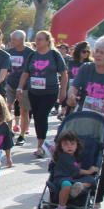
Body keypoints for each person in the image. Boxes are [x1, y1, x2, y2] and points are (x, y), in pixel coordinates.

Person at [66, 35, 104, 209]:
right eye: (96, 51)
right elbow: (75, 86)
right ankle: (76, 190)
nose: (97, 55)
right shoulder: (86, 68)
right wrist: (71, 95)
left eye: (102, 52)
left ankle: (98, 198)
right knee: (81, 155)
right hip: (86, 119)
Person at [17, 30, 68, 158]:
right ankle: (41, 143)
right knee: (38, 117)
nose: (37, 41)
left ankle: (41, 145)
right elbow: (25, 73)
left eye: (40, 39)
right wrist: (19, 87)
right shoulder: (32, 56)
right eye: (36, 38)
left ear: (47, 41)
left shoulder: (54, 55)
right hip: (34, 91)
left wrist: (63, 91)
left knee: (42, 115)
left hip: (50, 92)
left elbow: (64, 74)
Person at [47, 130, 98, 209]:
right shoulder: (64, 156)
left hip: (74, 179)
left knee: (91, 181)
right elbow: (75, 170)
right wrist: (89, 171)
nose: (69, 146)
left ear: (76, 145)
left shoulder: (75, 156)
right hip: (62, 177)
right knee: (67, 184)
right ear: (61, 146)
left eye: (72, 144)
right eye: (66, 144)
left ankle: (79, 187)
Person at [5, 30, 32, 145]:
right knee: (6, 108)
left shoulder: (30, 53)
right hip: (10, 84)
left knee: (24, 110)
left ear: (21, 40)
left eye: (14, 39)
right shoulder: (8, 52)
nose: (11, 42)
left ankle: (21, 135)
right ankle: (9, 131)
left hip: (24, 86)